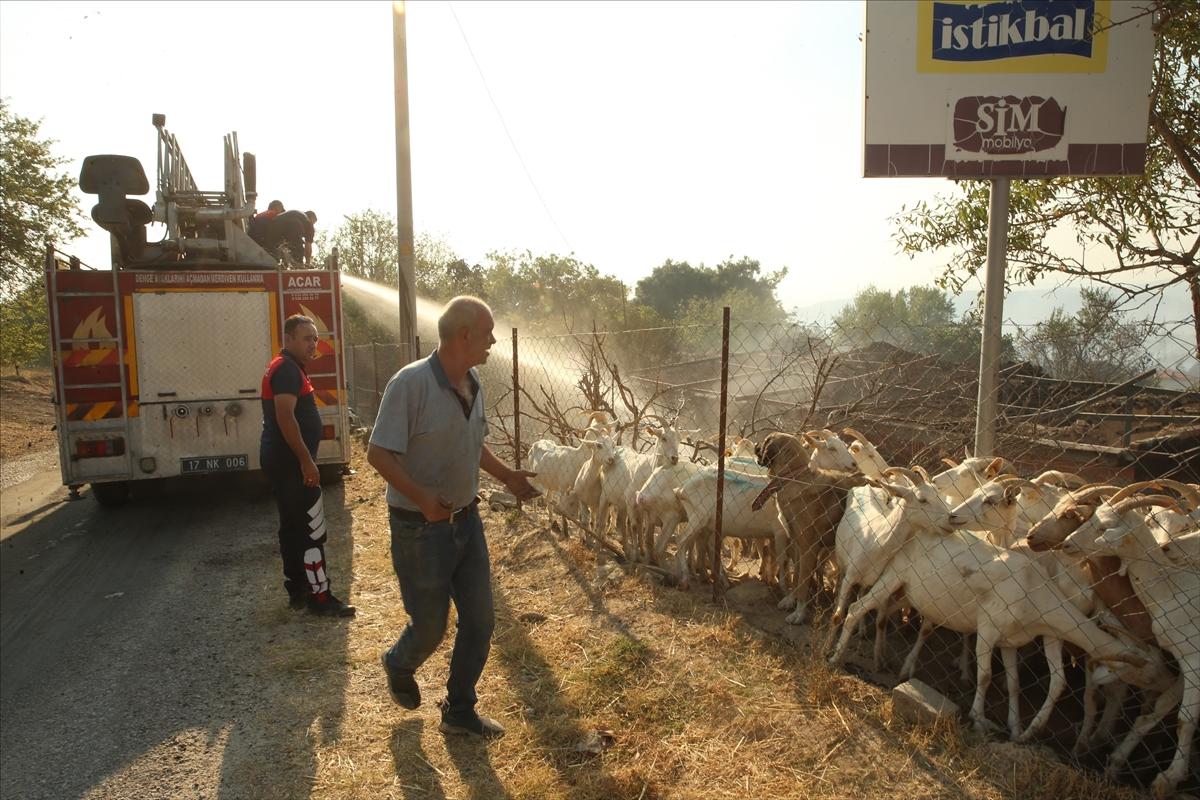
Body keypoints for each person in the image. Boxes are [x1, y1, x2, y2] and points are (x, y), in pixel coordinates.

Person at [367, 296, 538, 739]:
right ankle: (399, 662)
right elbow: (378, 452)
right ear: (464, 335)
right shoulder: (410, 384)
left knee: (481, 620)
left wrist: (508, 477)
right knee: (430, 627)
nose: (493, 342)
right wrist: (423, 498)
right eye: (487, 333)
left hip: (467, 521)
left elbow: (472, 441)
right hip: (420, 529)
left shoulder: (473, 381)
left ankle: (459, 710)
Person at [260, 314, 356, 617]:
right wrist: (306, 461)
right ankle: (320, 597)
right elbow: (285, 417)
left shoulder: (286, 367)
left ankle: (298, 590)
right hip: (291, 463)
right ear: (288, 339)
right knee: (312, 529)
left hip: (282, 461)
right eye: (306, 338)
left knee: (291, 527)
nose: (313, 344)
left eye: (315, 338)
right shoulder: (287, 370)